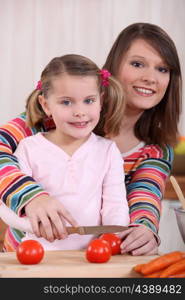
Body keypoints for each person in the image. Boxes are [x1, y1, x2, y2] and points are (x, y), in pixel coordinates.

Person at [0, 23, 182, 254]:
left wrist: (142, 230)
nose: (150, 78)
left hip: (92, 260)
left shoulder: (156, 149)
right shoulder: (51, 119)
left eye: (163, 69)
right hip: (27, 259)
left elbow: (144, 198)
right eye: (137, 64)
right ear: (113, 67)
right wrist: (30, 196)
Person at [0, 54, 129, 250]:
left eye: (89, 100)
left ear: (101, 101)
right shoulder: (29, 148)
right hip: (37, 255)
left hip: (91, 257)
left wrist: (111, 238)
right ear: (46, 105)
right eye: (66, 102)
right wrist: (35, 226)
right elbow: (6, 208)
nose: (80, 111)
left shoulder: (108, 150)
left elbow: (115, 205)